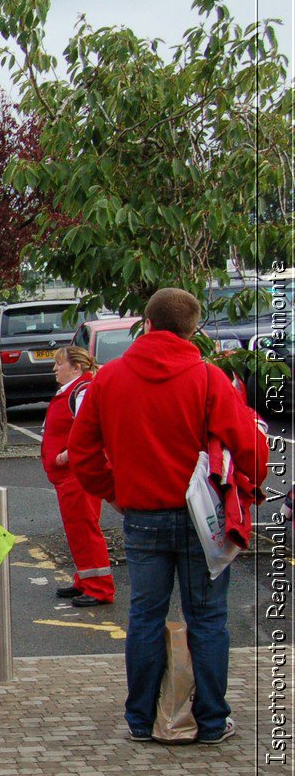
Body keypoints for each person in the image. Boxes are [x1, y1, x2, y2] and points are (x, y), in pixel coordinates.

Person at [69, 287, 269, 745]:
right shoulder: (208, 378)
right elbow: (251, 447)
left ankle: (141, 719)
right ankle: (212, 720)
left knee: (144, 615)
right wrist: (247, 494)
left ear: (147, 321)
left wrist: (114, 492)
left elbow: (81, 452)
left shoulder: (110, 379)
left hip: (141, 513)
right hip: (205, 521)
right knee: (208, 619)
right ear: (193, 330)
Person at [41, 346, 115, 608]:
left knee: (85, 528)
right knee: (77, 529)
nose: (54, 369)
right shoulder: (77, 390)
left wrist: (68, 455)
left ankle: (100, 587)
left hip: (77, 475)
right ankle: (85, 580)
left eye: (59, 364)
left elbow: (94, 430)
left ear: (77, 368)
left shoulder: (82, 391)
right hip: (68, 476)